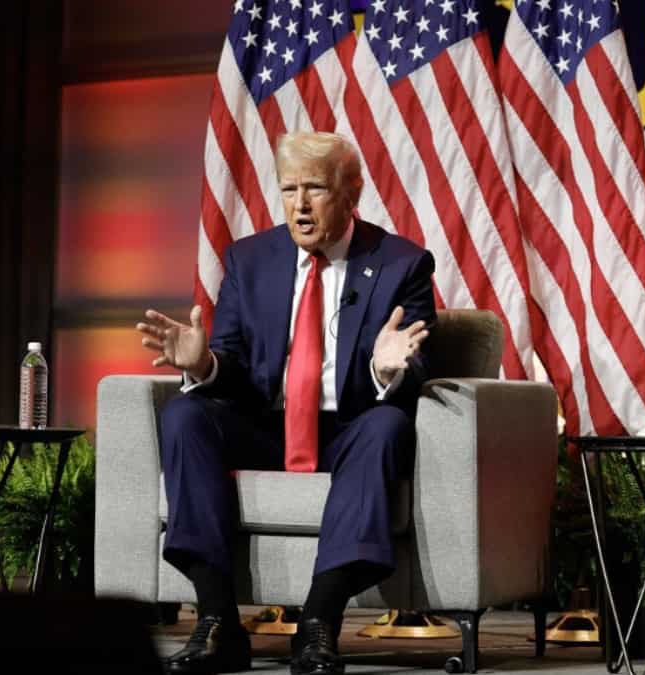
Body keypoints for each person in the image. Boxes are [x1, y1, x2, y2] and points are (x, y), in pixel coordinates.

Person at [136, 131, 436, 675]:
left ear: (351, 191)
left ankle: (320, 624)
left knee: (387, 425)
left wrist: (385, 368)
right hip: (265, 425)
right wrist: (204, 366)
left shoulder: (401, 264)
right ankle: (216, 623)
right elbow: (231, 364)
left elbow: (417, 367)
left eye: (315, 188)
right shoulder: (250, 260)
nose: (299, 205)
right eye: (288, 189)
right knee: (184, 414)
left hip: (348, 426)